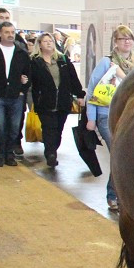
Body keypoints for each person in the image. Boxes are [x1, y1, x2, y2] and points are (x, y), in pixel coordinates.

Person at [86, 25, 134, 212]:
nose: (127, 42)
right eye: (122, 39)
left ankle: (122, 195)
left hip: (128, 115)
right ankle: (113, 195)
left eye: (129, 38)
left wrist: (120, 74)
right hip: (106, 115)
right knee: (117, 152)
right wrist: (91, 117)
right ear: (115, 43)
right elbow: (93, 89)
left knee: (125, 156)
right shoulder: (106, 62)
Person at [30, 32, 85, 168]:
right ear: (40, 45)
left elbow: (73, 79)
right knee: (49, 128)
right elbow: (30, 80)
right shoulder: (34, 62)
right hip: (45, 102)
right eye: (45, 41)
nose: (49, 43)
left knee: (58, 130)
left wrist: (79, 95)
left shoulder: (63, 60)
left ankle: (52, 150)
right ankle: (50, 154)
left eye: (51, 41)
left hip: (62, 102)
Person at [0, 21, 30, 167]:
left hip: (16, 95)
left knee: (14, 126)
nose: (10, 35)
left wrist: (22, 89)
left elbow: (28, 75)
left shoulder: (21, 53)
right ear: (0, 33)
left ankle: (9, 153)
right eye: (7, 32)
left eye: (12, 32)